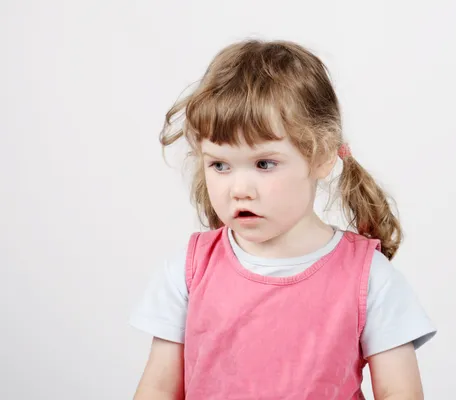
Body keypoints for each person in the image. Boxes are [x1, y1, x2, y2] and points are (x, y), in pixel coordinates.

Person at [130, 39, 436, 399]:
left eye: (264, 164)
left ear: (321, 156)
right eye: (220, 165)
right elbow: (158, 389)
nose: (239, 189)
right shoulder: (188, 271)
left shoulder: (370, 280)